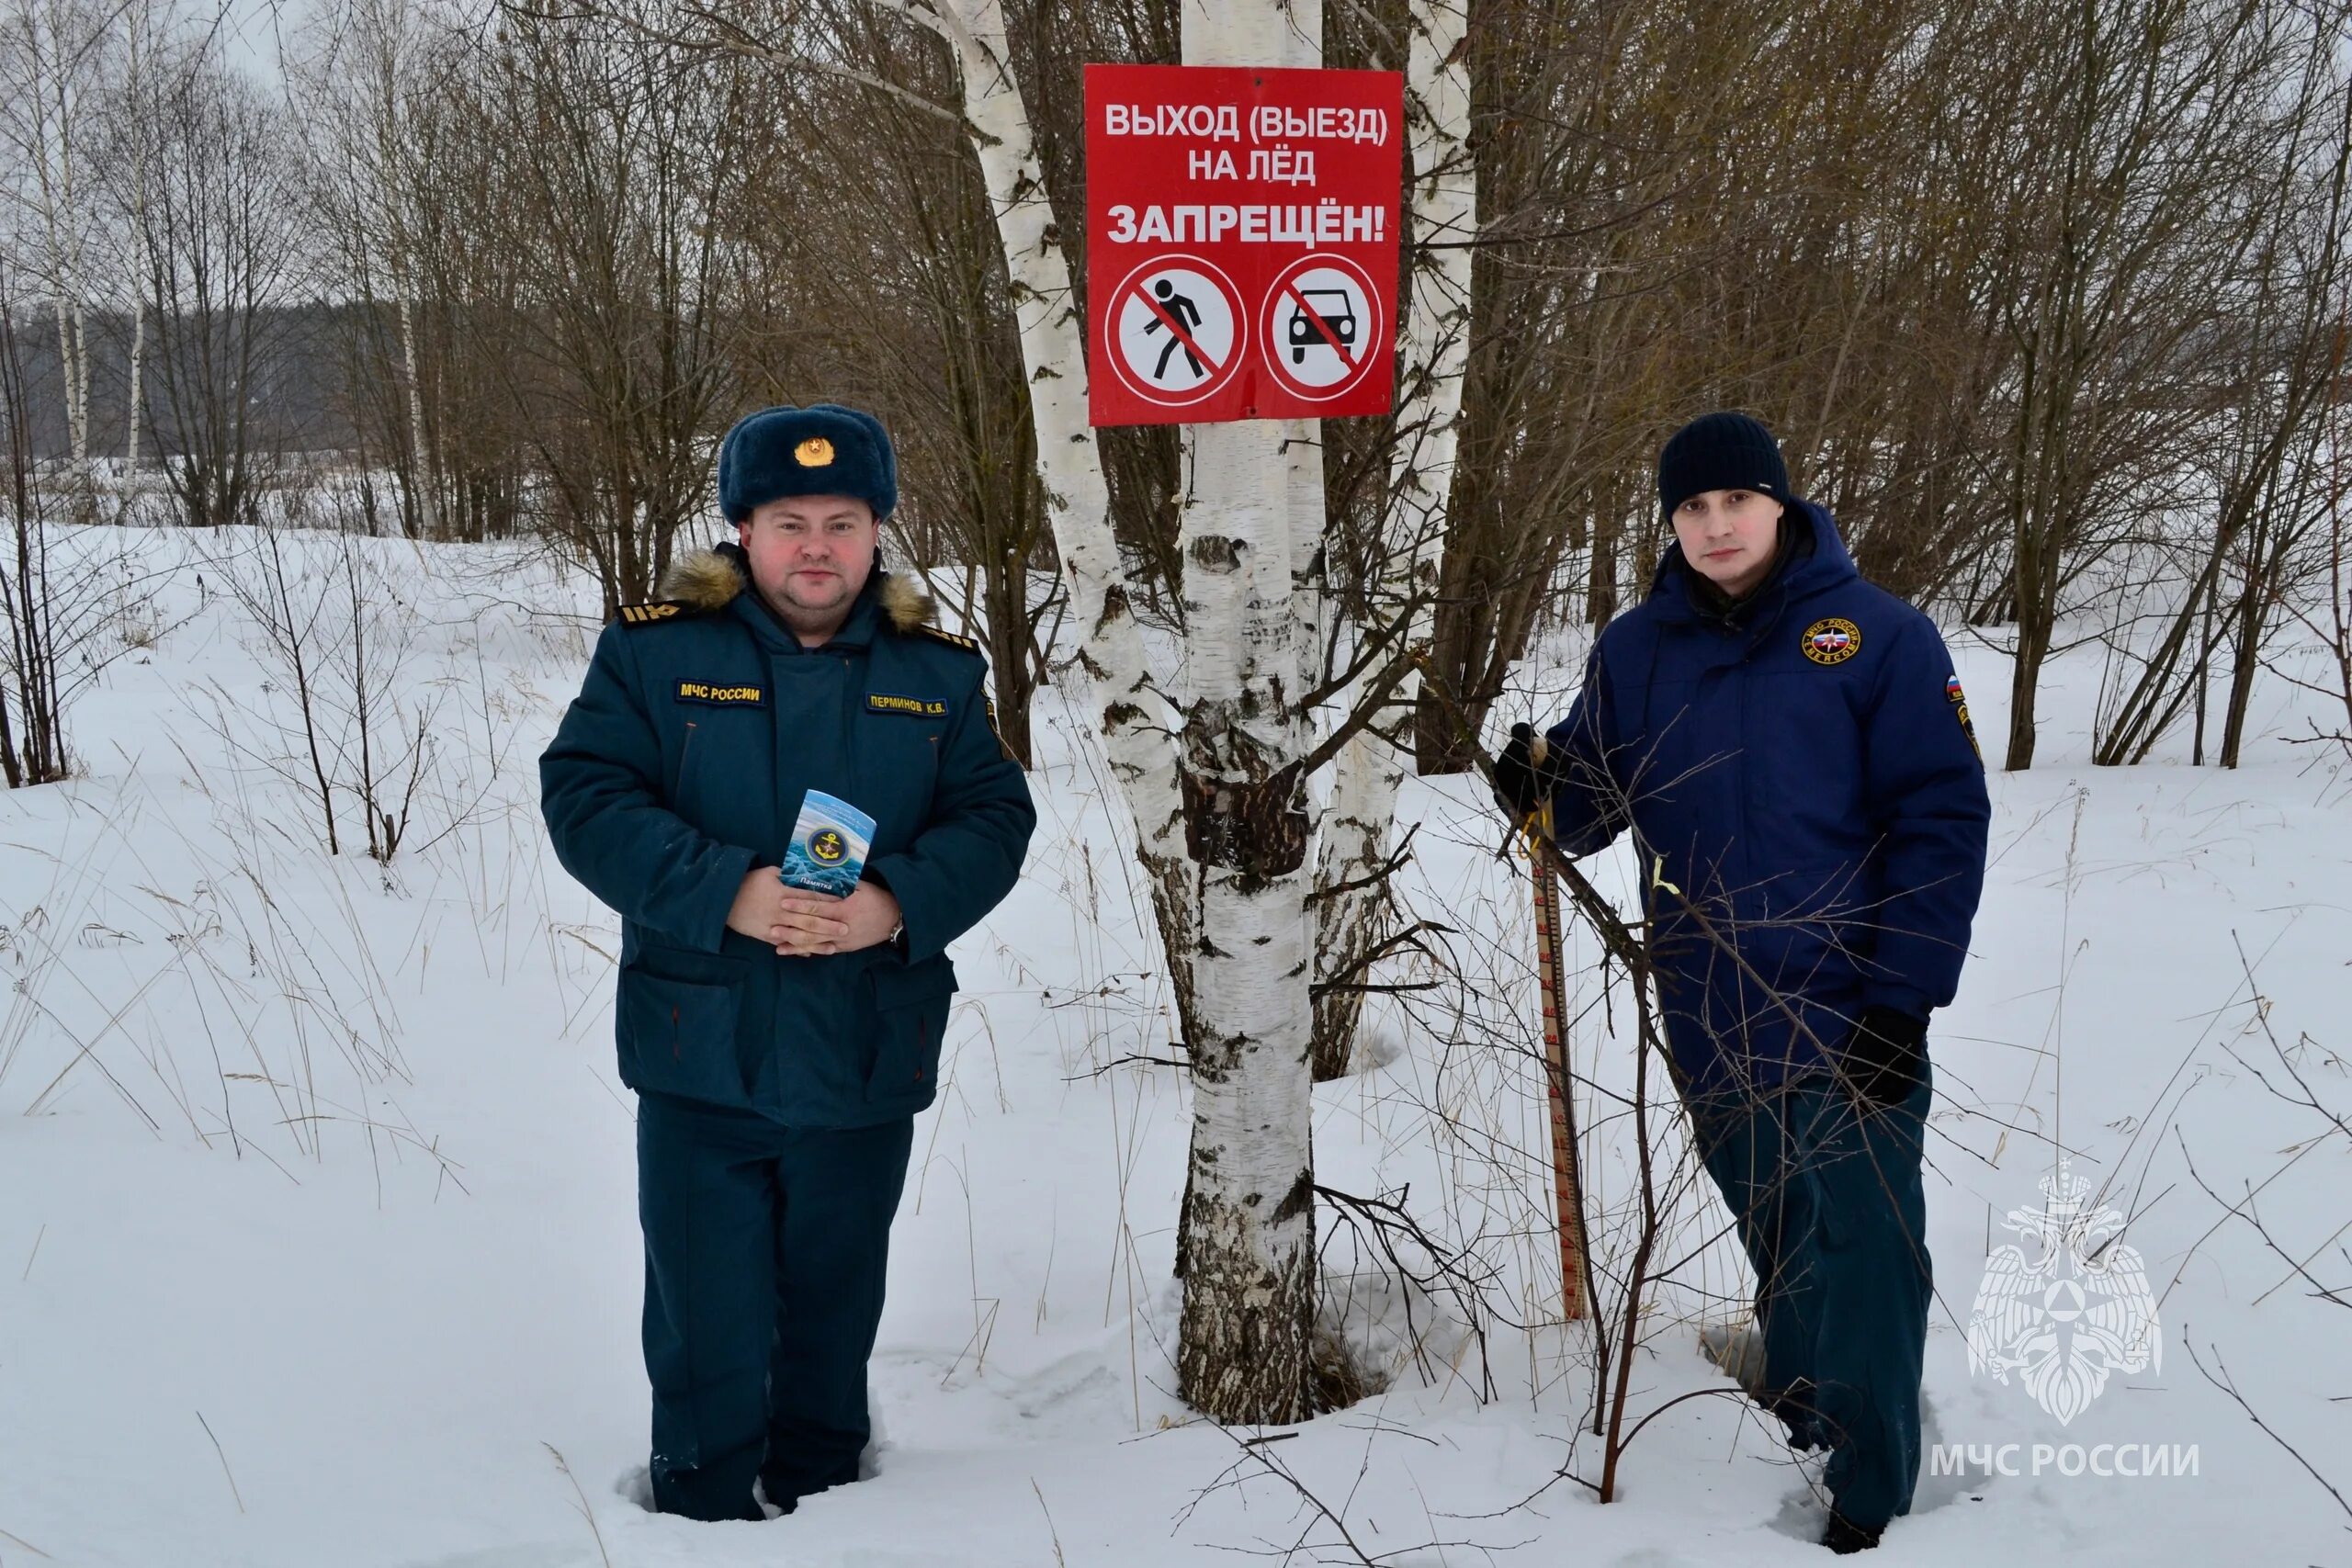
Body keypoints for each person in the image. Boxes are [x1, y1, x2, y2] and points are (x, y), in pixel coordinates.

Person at [1492, 412, 1990, 1553]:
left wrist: (1901, 1003)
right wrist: (1536, 782)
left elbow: (1941, 819)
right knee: (1782, 1238)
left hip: (1849, 1003)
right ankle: (1809, 1424)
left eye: (1736, 503)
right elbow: (1587, 809)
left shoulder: (1876, 639)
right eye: (1693, 508)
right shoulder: (1637, 650)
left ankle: (1871, 1502)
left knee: (1866, 1249)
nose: (1717, 527)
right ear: (1671, 521)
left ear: (1780, 503)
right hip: (1709, 1008)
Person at [539, 403, 1036, 1522]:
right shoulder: (657, 652)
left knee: (832, 1307)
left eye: (843, 521)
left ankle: (829, 1510)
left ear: (877, 533)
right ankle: (703, 1509)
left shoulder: (937, 673)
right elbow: (585, 797)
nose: (817, 546)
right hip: (699, 1052)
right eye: (789, 520)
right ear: (745, 531)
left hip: (864, 1048)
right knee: (705, 1313)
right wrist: (730, 891)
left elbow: (993, 819)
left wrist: (895, 905)